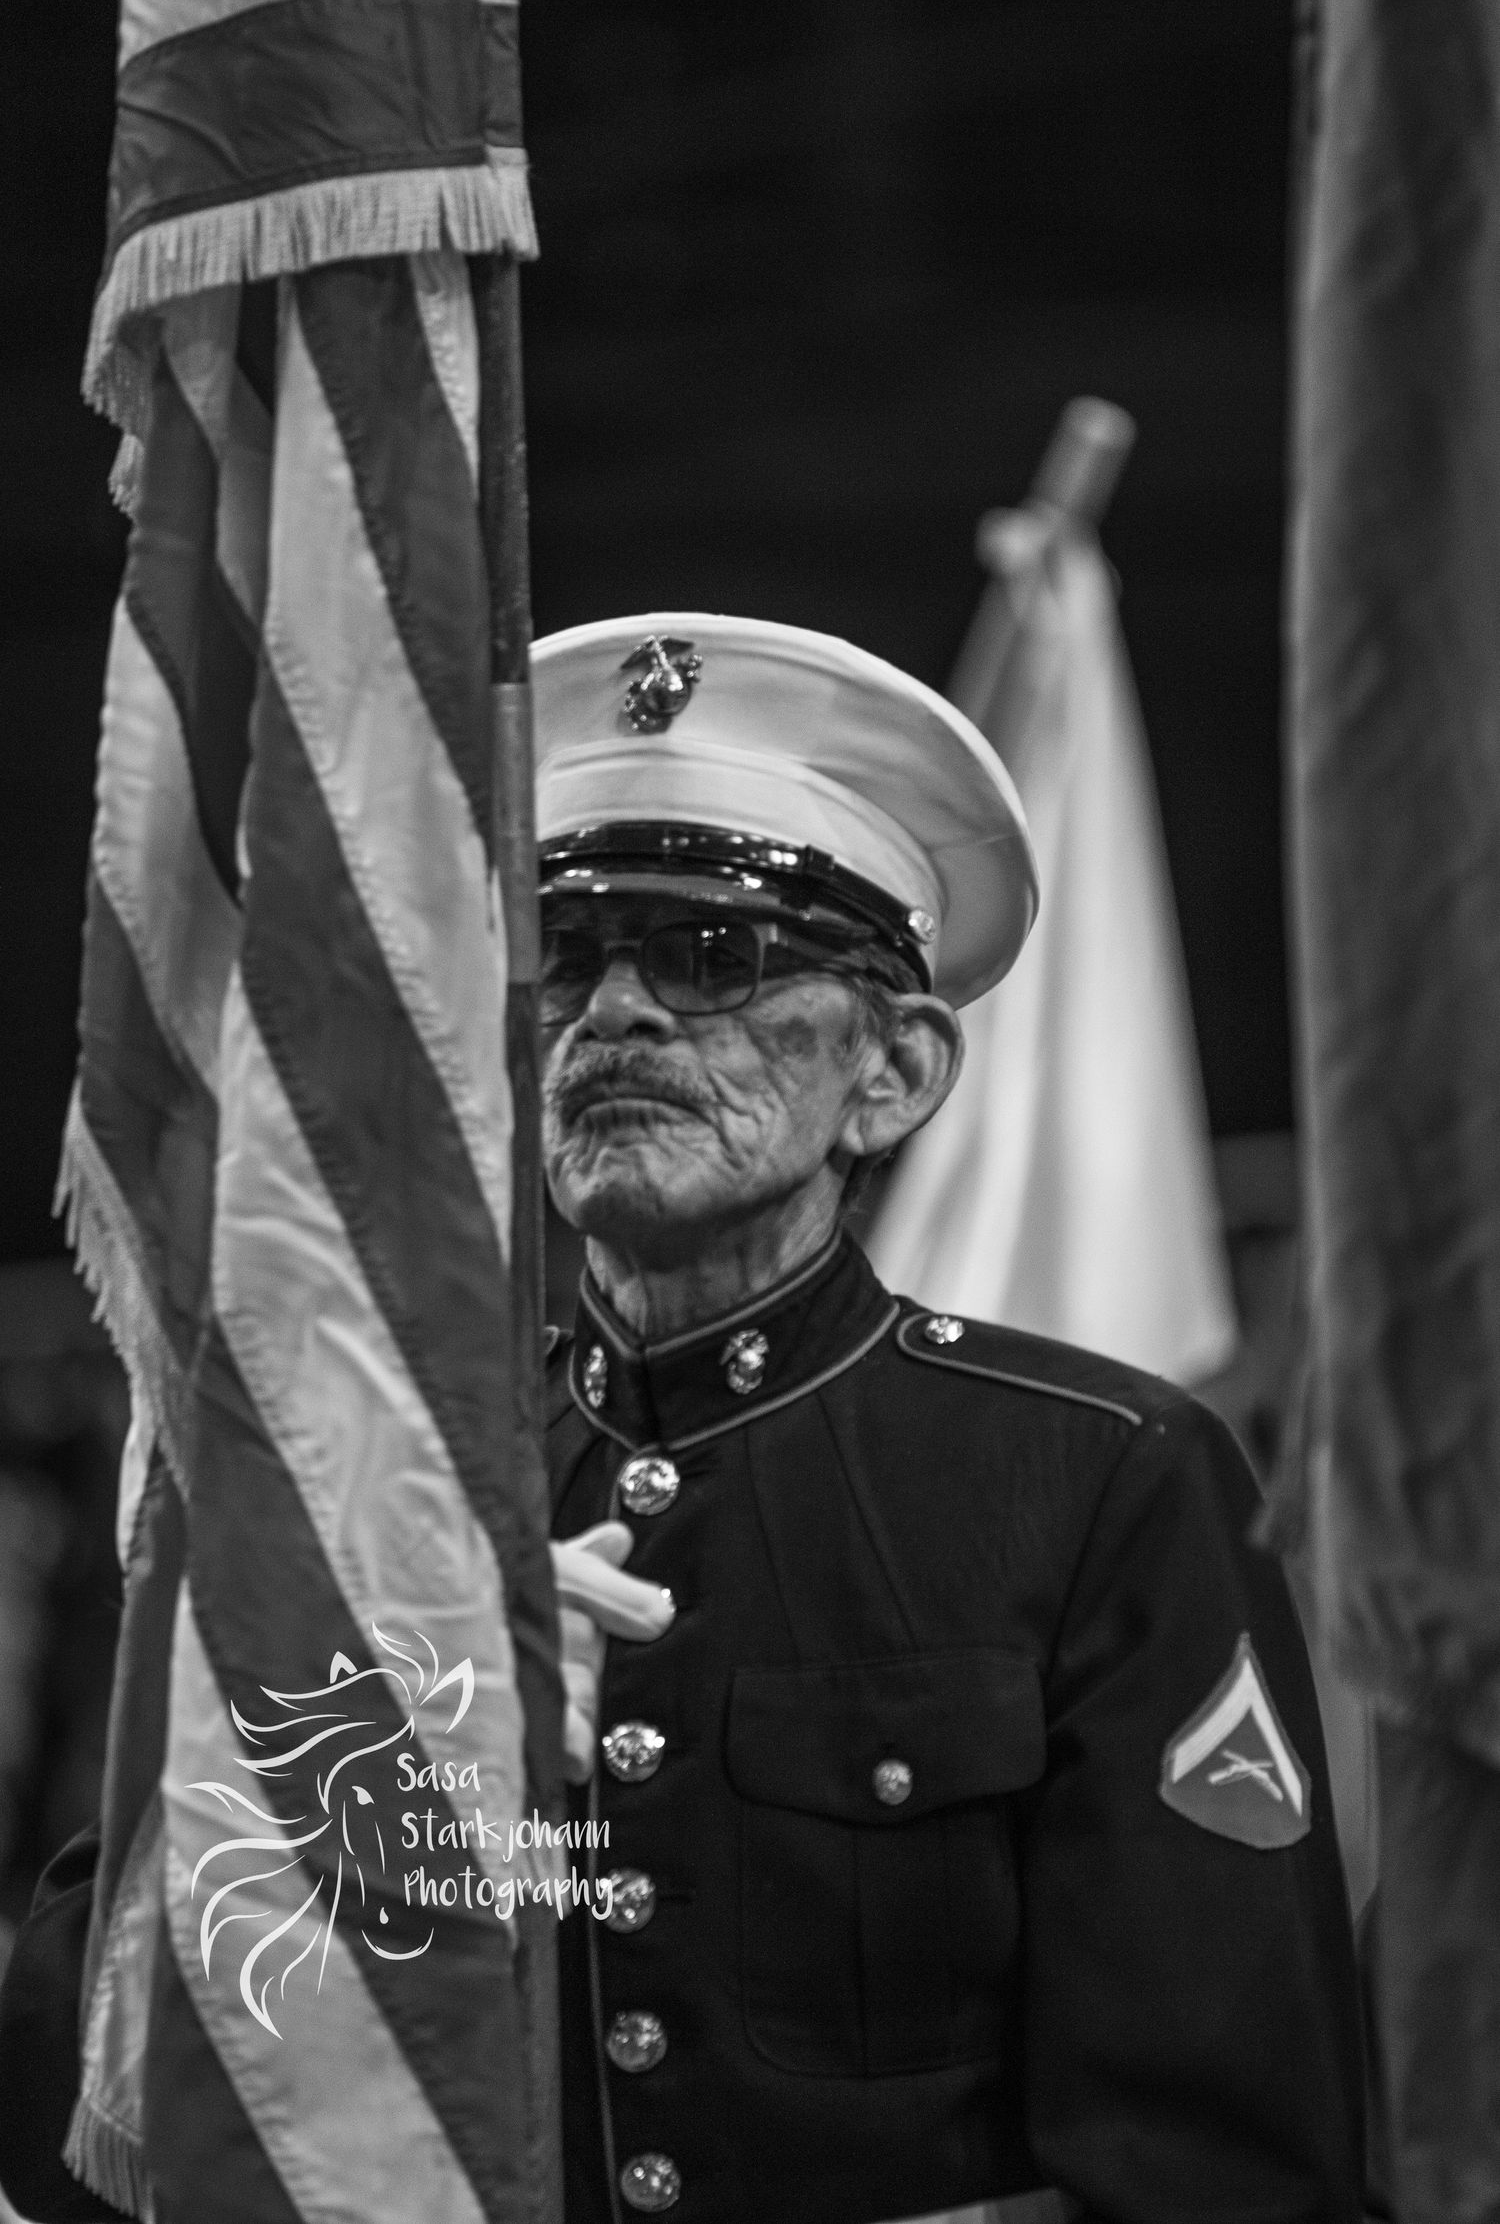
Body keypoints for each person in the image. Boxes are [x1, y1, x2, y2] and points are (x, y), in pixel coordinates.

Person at [1, 613, 1363, 2224]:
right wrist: (333, 1791)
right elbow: (64, 2130)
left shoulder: (1092, 1477)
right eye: (571, 955)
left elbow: (1224, 2174)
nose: (619, 1013)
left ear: (897, 1074)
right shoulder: (369, 1487)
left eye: (715, 955)